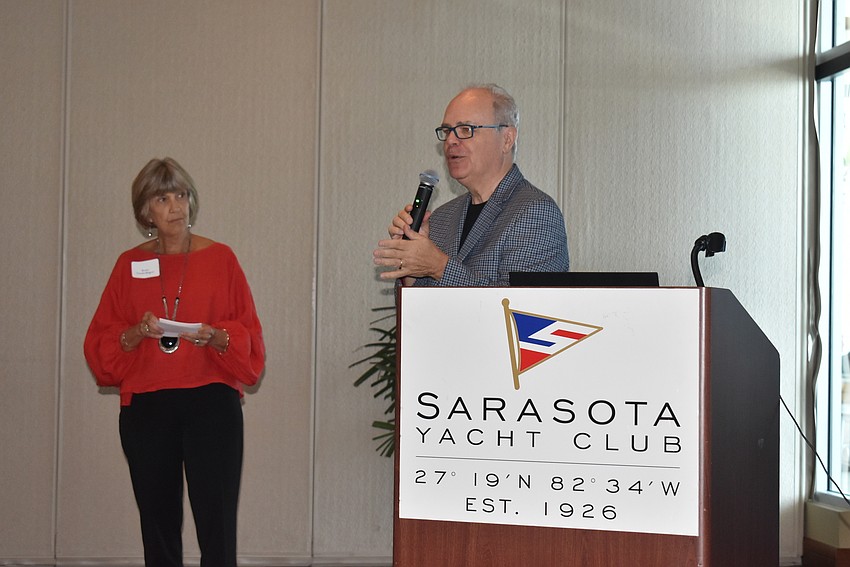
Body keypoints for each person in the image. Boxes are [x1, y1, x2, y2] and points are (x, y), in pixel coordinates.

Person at [84, 157, 265, 567]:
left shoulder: (222, 259)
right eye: (163, 198)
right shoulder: (128, 265)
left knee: (217, 525)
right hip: (147, 408)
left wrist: (216, 336)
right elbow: (101, 346)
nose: (175, 206)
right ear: (145, 210)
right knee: (158, 525)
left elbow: (251, 339)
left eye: (181, 195)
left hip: (211, 404)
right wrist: (136, 332)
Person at [373, 83, 569, 286]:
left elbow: (523, 311)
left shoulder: (535, 213)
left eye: (465, 129)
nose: (450, 141)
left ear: (507, 139)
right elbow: (412, 313)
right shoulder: (440, 218)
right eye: (447, 131)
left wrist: (439, 267)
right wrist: (412, 269)